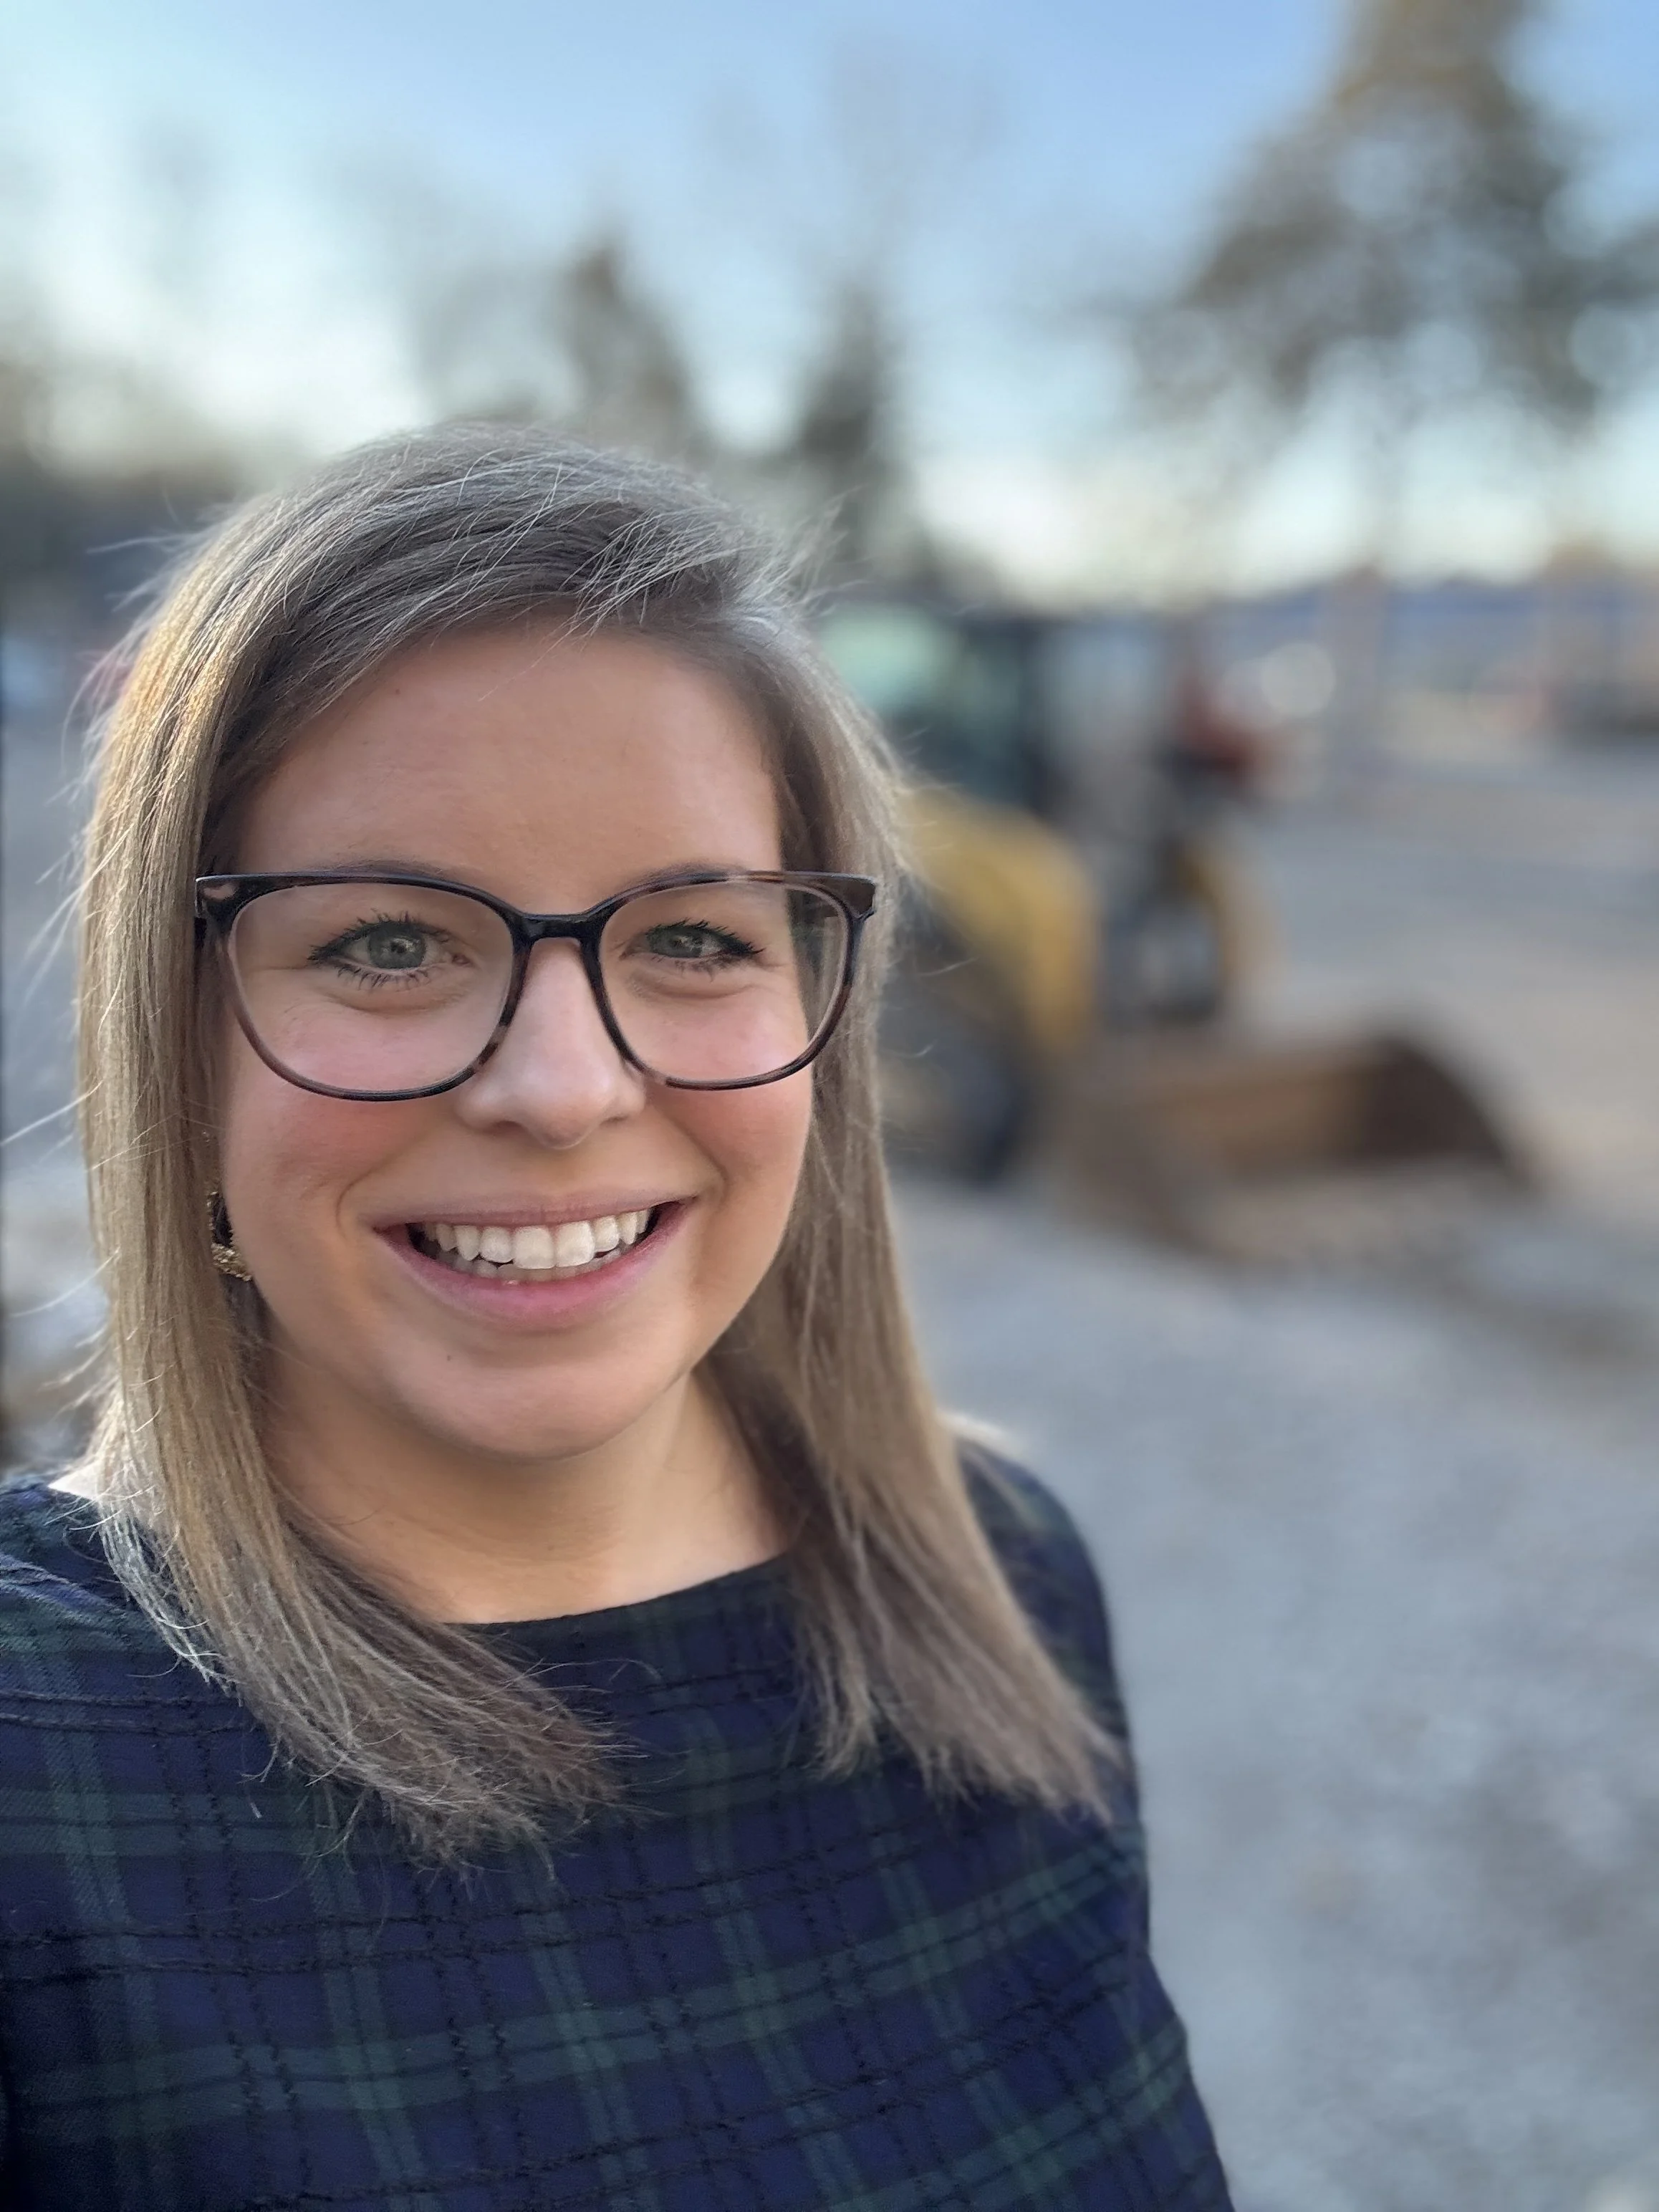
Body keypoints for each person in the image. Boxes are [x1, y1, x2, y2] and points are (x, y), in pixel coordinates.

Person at [0, 427, 1231, 2209]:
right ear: (173, 1038)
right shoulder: (42, 1758)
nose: (565, 1086)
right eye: (389, 942)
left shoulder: (1009, 1581)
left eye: (696, 938)